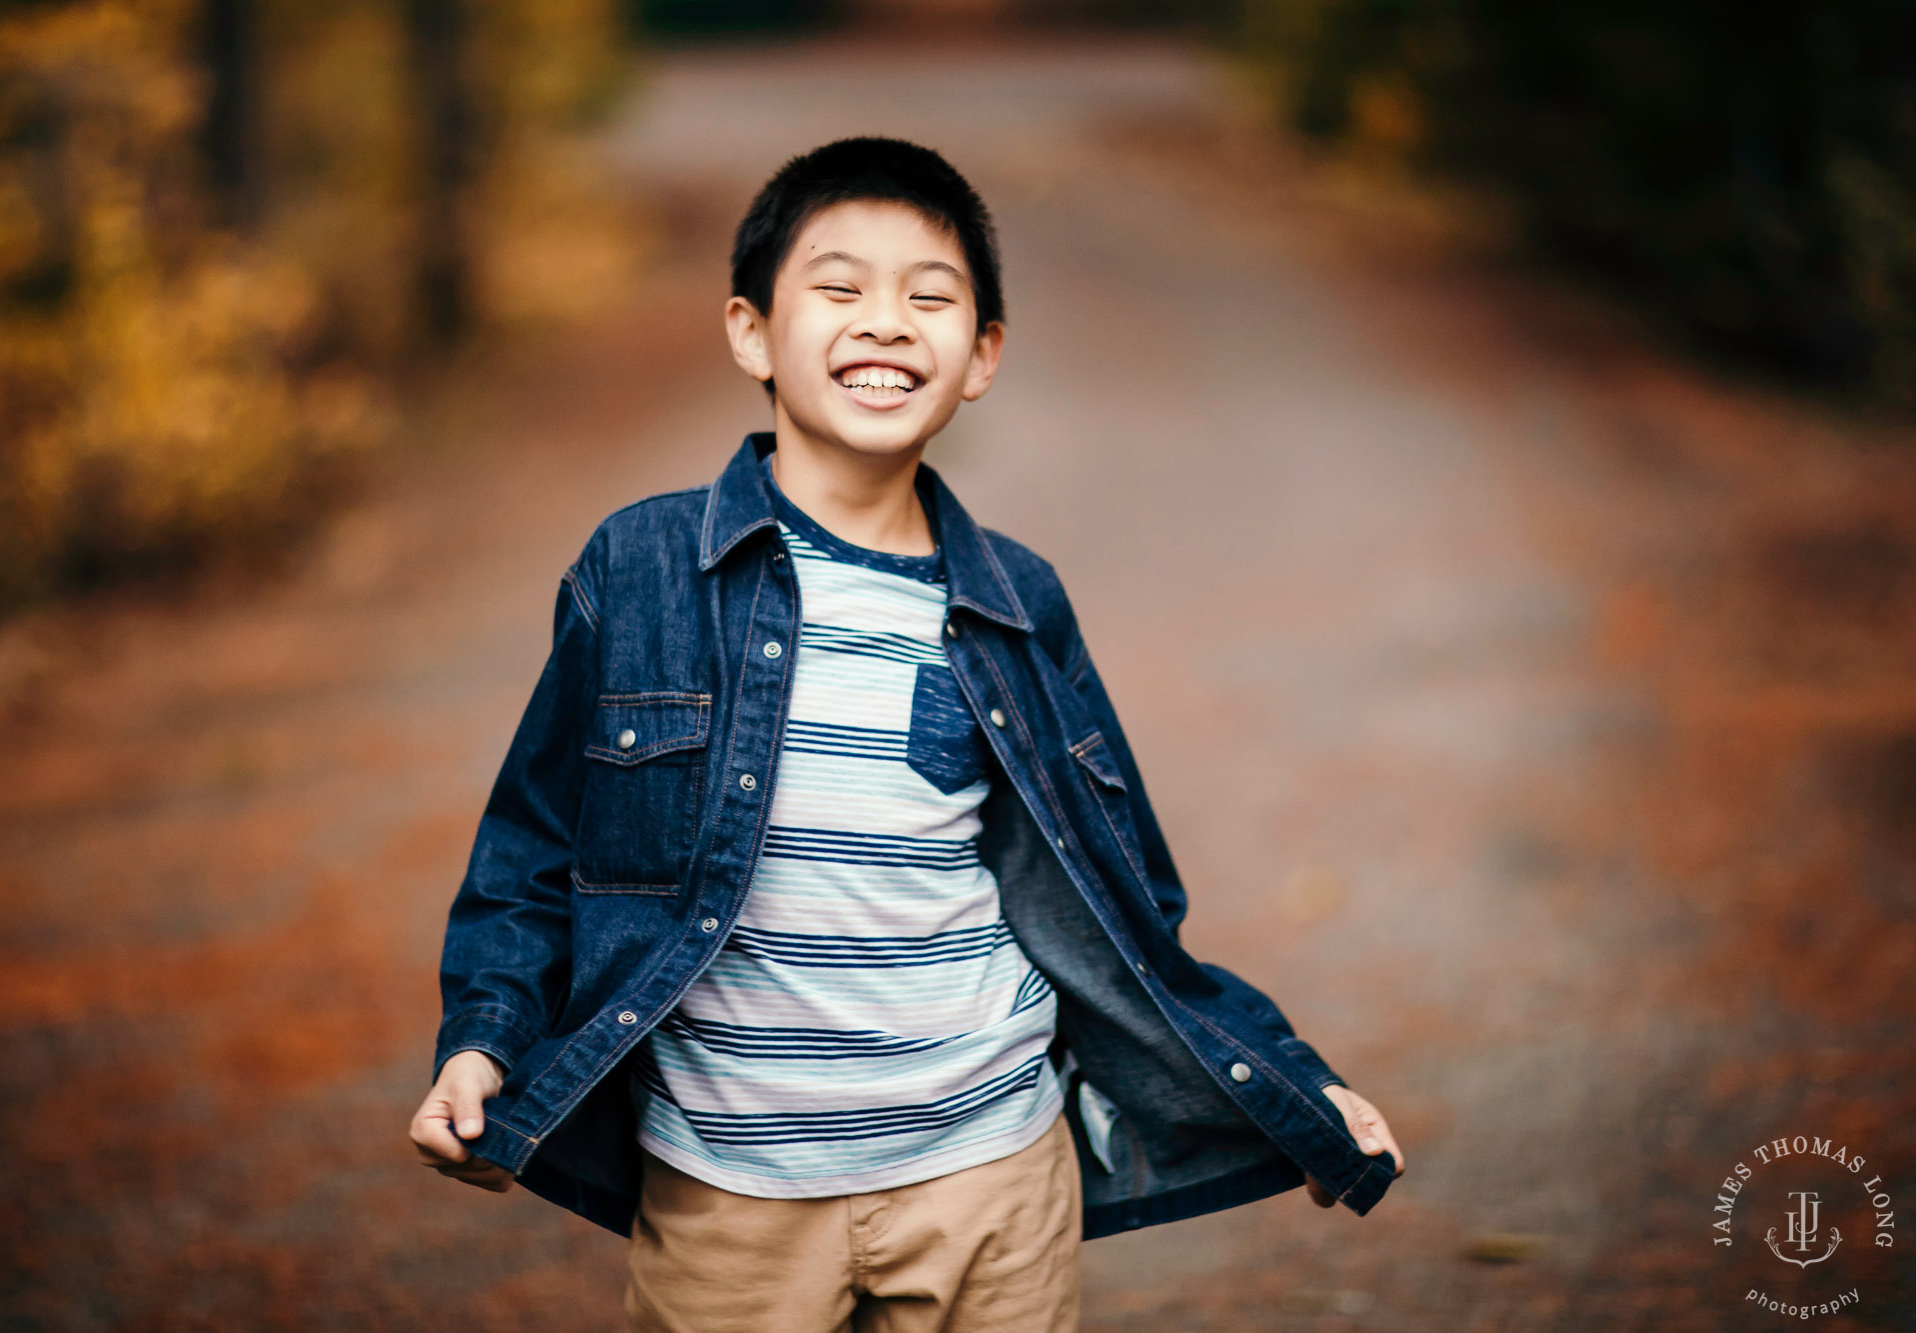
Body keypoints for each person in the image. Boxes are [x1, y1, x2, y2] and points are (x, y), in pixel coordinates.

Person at [408, 136, 1405, 1331]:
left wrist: (1290, 1078)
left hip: (988, 1174)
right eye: (836, 290)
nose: (884, 323)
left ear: (979, 355)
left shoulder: (1014, 601)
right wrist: (483, 1040)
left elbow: (1122, 900)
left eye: (928, 298)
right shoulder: (642, 568)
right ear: (749, 334)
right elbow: (532, 849)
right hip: (728, 1195)